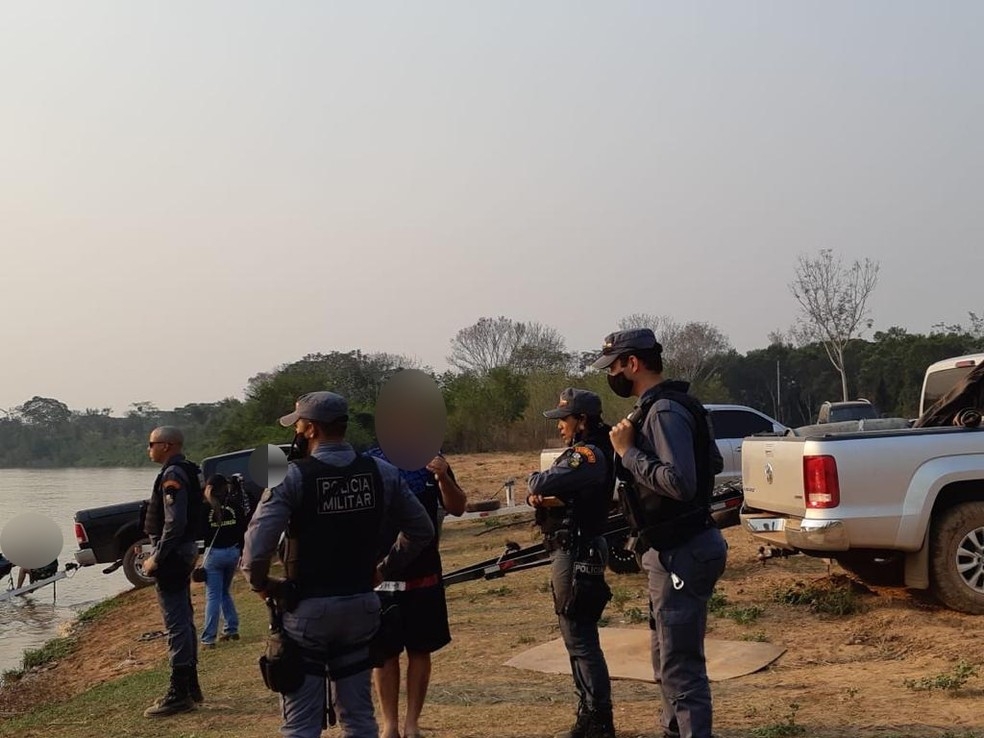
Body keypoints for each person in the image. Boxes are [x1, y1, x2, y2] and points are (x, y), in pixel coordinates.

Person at [241, 391, 435, 738]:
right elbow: (422, 530)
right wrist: (384, 569)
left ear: (312, 429)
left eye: (298, 425)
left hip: (308, 611)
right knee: (359, 719)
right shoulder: (382, 472)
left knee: (301, 724)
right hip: (361, 607)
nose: (296, 432)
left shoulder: (292, 477)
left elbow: (256, 550)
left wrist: (262, 585)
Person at [591, 328, 728, 738]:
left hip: (681, 549)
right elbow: (714, 463)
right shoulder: (675, 406)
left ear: (632, 364)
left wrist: (628, 453)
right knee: (665, 656)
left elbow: (681, 482)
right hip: (674, 547)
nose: (611, 375)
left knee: (680, 665)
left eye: (613, 367)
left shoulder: (663, 411)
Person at [527, 388, 617, 738]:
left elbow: (541, 480)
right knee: (575, 637)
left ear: (581, 420)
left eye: (564, 419)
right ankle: (590, 714)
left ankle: (597, 719)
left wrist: (536, 484)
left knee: (579, 637)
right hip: (575, 547)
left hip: (578, 550)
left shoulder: (588, 455)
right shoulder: (591, 450)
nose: (559, 426)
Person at [366, 446, 467, 738]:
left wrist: (443, 477)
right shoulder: (371, 463)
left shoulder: (433, 460)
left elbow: (458, 507)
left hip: (424, 574)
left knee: (420, 649)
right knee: (385, 654)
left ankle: (412, 724)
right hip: (380, 575)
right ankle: (390, 725)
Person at [142, 425, 205, 717]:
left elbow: (174, 522)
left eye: (151, 444)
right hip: (185, 550)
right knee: (184, 619)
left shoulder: (173, 474)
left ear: (166, 445)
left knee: (176, 622)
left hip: (174, 554)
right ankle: (190, 686)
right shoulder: (187, 469)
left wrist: (156, 557)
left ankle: (179, 692)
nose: (149, 449)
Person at [198, 473, 246, 648]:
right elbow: (243, 529)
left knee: (213, 596)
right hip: (233, 553)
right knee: (224, 592)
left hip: (214, 555)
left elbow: (200, 533)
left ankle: (208, 638)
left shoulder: (204, 508)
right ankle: (231, 629)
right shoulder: (235, 505)